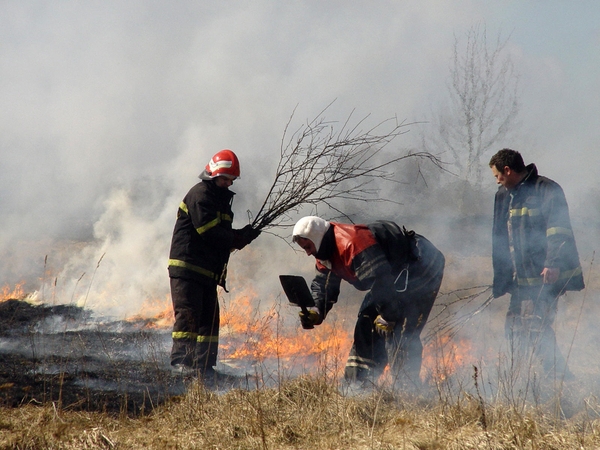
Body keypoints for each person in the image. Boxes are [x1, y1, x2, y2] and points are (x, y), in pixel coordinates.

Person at [292, 216, 445, 386]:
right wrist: (316, 310)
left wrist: (388, 316)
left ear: (317, 238)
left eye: (307, 247)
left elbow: (382, 282)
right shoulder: (324, 252)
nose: (307, 253)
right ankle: (357, 385)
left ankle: (407, 390)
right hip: (392, 278)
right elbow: (324, 285)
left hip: (422, 268)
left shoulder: (352, 244)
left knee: (401, 330)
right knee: (366, 320)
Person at [489, 148, 584, 379]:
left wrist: (552, 263)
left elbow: (558, 229)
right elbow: (499, 236)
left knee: (536, 329)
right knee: (513, 328)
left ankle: (559, 379)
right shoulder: (503, 196)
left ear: (508, 170)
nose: (497, 181)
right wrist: (502, 278)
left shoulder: (547, 190)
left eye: (497, 176)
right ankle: (520, 379)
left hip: (545, 277)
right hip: (520, 281)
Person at [167, 149, 261, 378]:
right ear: (214, 174)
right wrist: (237, 238)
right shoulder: (201, 195)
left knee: (209, 322)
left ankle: (204, 368)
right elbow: (208, 232)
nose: (229, 183)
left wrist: (241, 237)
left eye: (232, 180)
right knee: (188, 316)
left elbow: (222, 237)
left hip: (207, 271)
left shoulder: (220, 199)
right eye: (226, 178)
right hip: (188, 268)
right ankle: (181, 366)